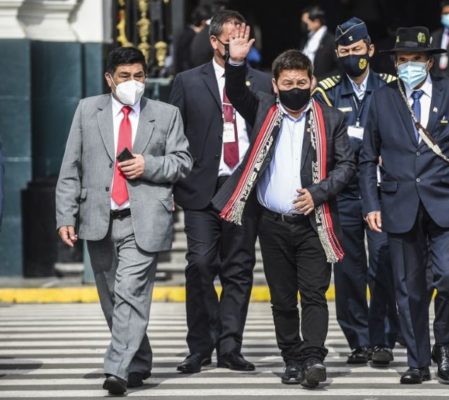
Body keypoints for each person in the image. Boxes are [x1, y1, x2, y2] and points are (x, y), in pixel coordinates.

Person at [212, 25, 355, 388]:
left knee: (314, 293)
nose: (294, 89)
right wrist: (237, 61)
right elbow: (233, 92)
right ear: (275, 85)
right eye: (287, 83)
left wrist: (319, 193)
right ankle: (292, 358)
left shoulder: (331, 119)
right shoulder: (261, 109)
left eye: (301, 82)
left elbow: (347, 166)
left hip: (314, 221)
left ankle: (312, 359)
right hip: (272, 223)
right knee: (281, 298)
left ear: (312, 82)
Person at [55, 46, 192, 395]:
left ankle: (116, 369)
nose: (133, 83)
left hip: (142, 217)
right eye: (124, 77)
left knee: (131, 293)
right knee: (112, 300)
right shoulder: (88, 110)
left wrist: (151, 165)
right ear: (109, 79)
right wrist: (65, 216)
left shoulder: (166, 114)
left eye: (139, 76)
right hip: (97, 217)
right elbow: (71, 167)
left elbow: (182, 161)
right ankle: (139, 359)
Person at [359, 26, 449, 385]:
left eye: (415, 60)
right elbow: (367, 156)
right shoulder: (382, 98)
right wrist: (371, 202)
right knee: (409, 288)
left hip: (447, 202)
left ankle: (444, 345)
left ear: (429, 62)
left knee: (448, 276)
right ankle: (418, 360)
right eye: (402, 61)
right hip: (399, 204)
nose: (408, 66)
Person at [169, 10, 271, 375]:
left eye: (245, 39)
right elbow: (172, 134)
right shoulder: (187, 81)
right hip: (200, 186)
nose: (238, 46)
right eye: (231, 39)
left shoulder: (263, 80)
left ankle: (230, 346)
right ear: (214, 41)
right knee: (199, 264)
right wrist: (169, 186)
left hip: (243, 186)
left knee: (238, 269)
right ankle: (200, 346)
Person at [313, 17, 399, 367]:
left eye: (357, 49)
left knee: (383, 263)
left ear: (370, 50)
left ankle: (383, 338)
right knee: (348, 270)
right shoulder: (327, 90)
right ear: (337, 53)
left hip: (383, 192)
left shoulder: (391, 87)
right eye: (345, 51)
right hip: (344, 191)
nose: (352, 56)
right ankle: (359, 340)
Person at [301, 5, 338, 79]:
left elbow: (339, 68)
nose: (304, 25)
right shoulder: (306, 39)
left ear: (317, 22)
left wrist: (321, 80)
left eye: (306, 23)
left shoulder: (331, 41)